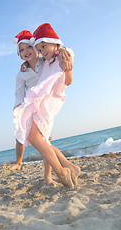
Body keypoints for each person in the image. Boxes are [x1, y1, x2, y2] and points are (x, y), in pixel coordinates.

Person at [13, 26, 80, 187]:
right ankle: (69, 167)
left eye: (31, 47)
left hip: (48, 103)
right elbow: (18, 93)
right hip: (34, 105)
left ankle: (59, 173)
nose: (28, 51)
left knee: (38, 140)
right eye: (22, 49)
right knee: (43, 142)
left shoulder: (49, 59)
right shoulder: (26, 70)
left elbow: (59, 53)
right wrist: (18, 109)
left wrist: (63, 51)